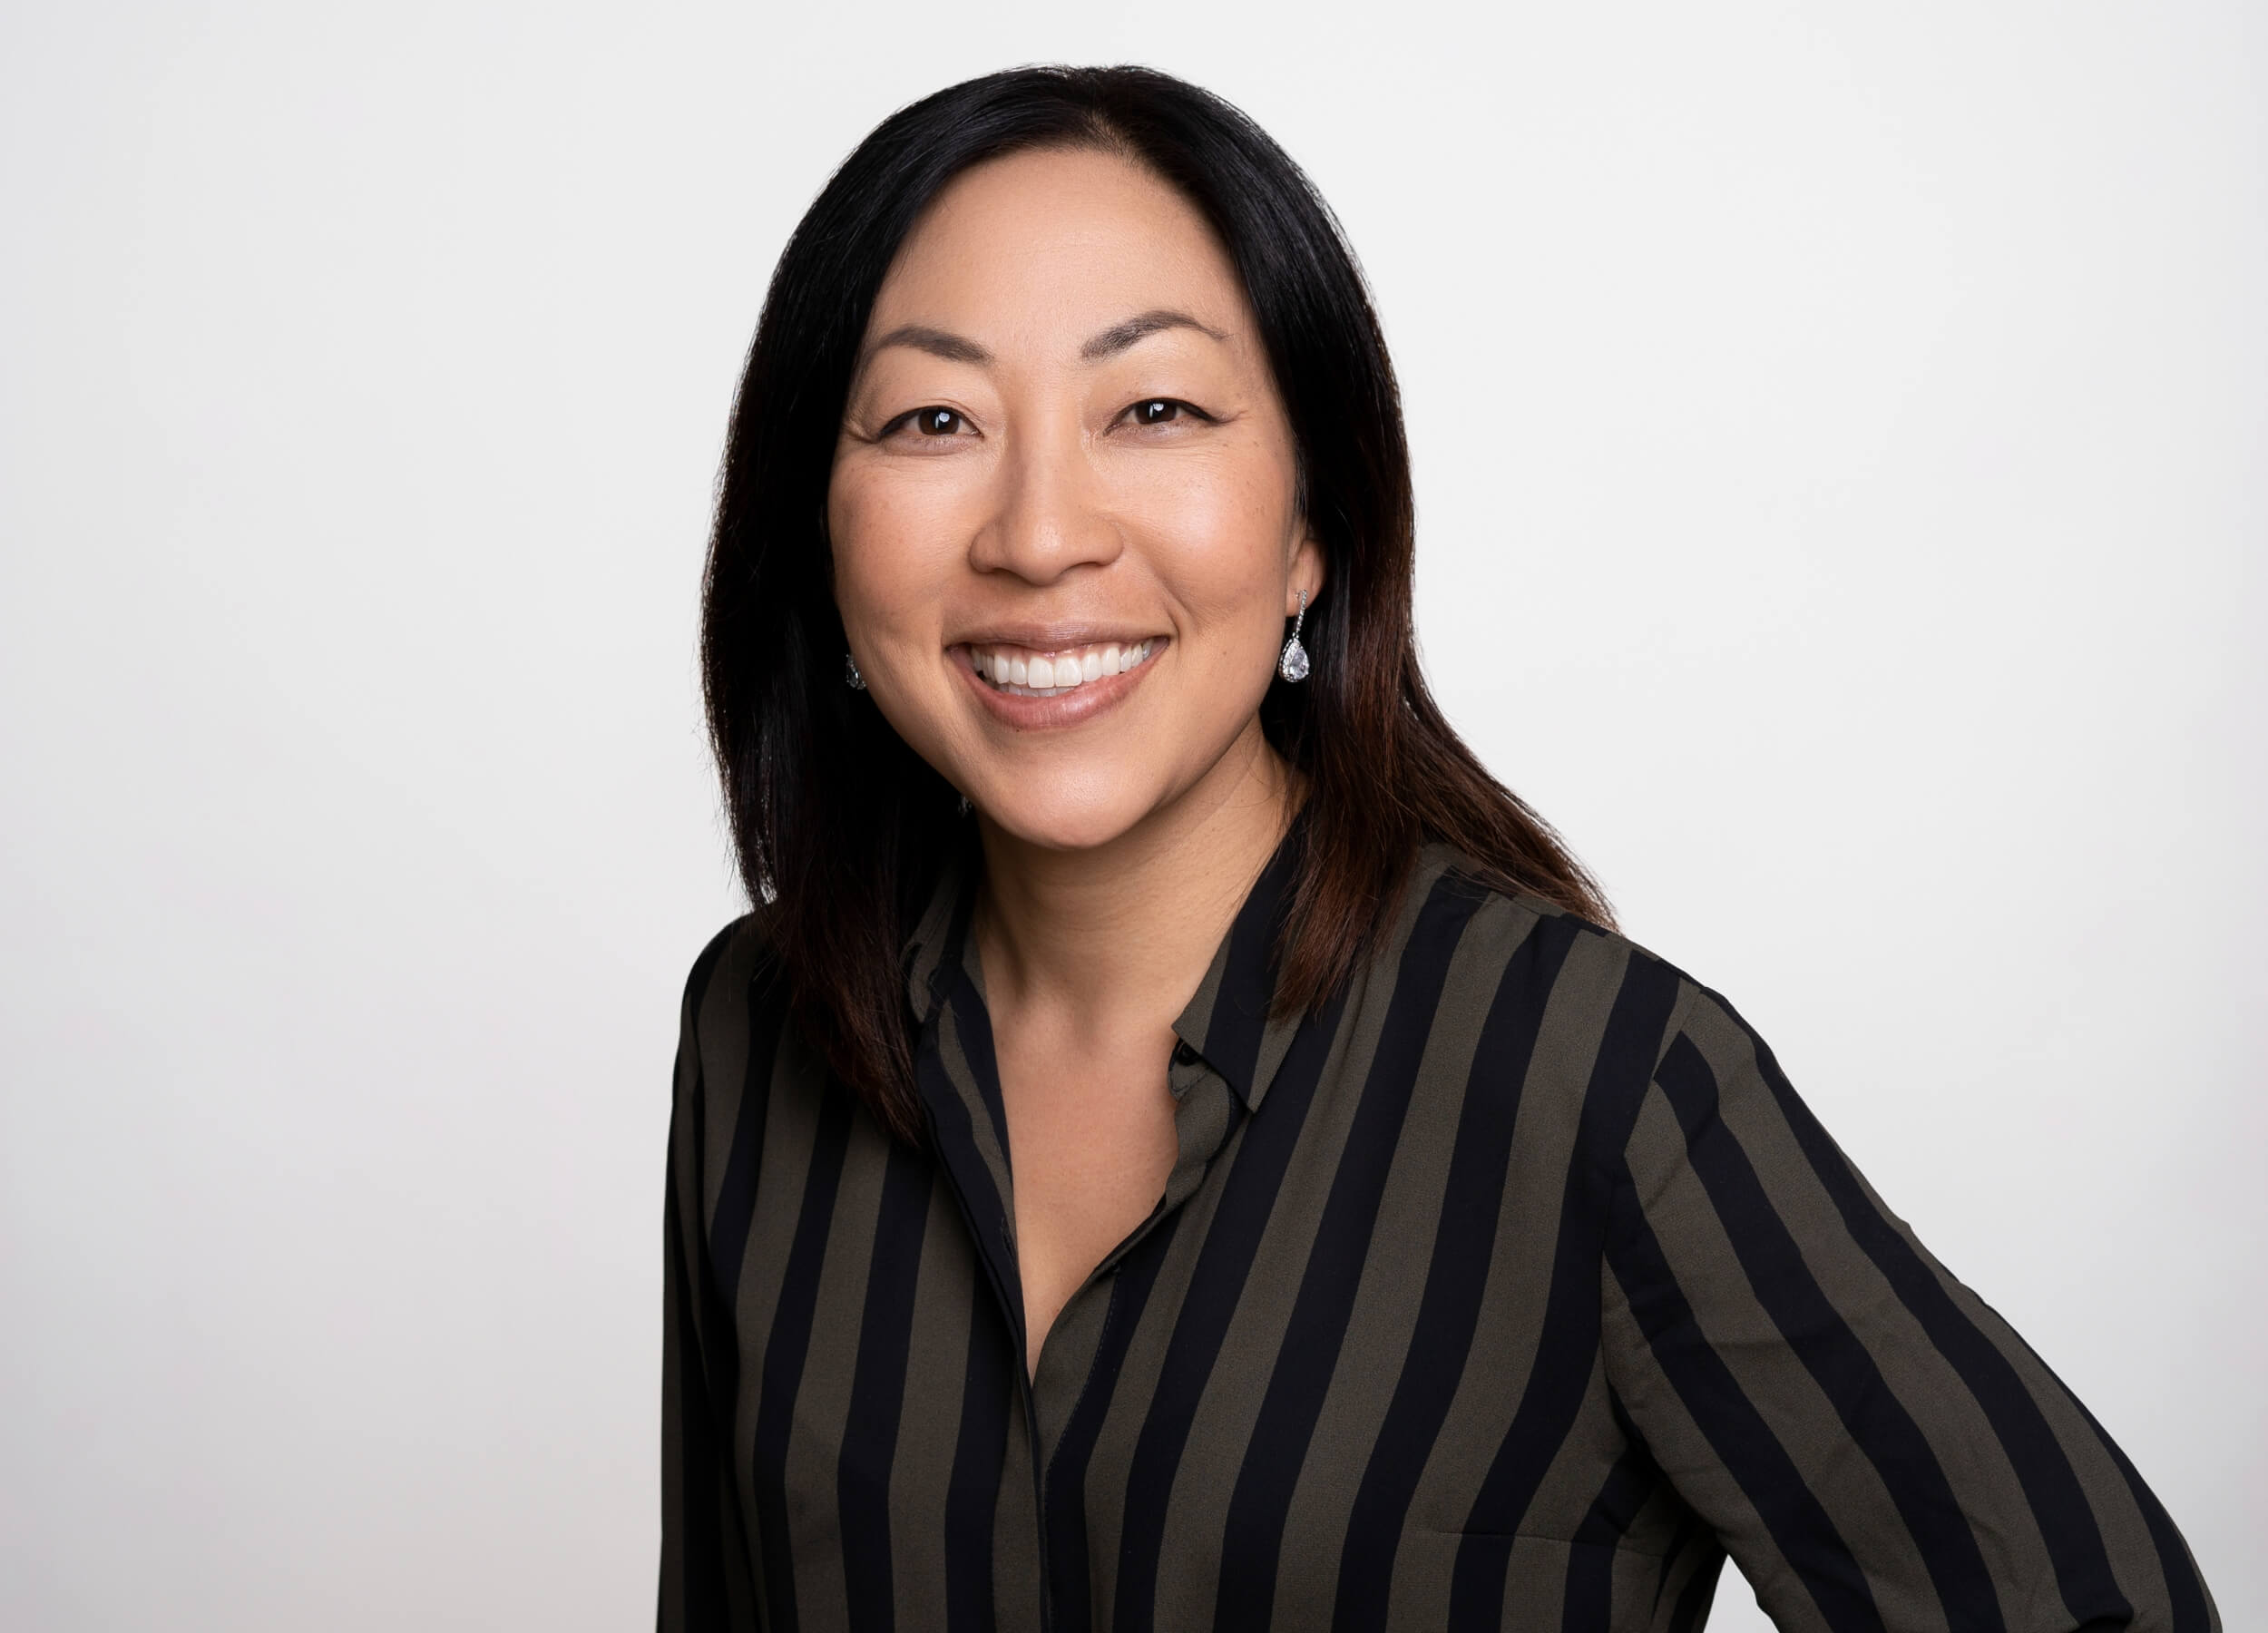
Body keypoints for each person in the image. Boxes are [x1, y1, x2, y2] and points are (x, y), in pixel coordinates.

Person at [660, 64, 2216, 1633]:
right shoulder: (760, 1029)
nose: (1041, 532)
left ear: (1312, 530)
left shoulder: (1595, 1082)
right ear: (821, 519)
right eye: (935, 419)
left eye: (1155, 411)